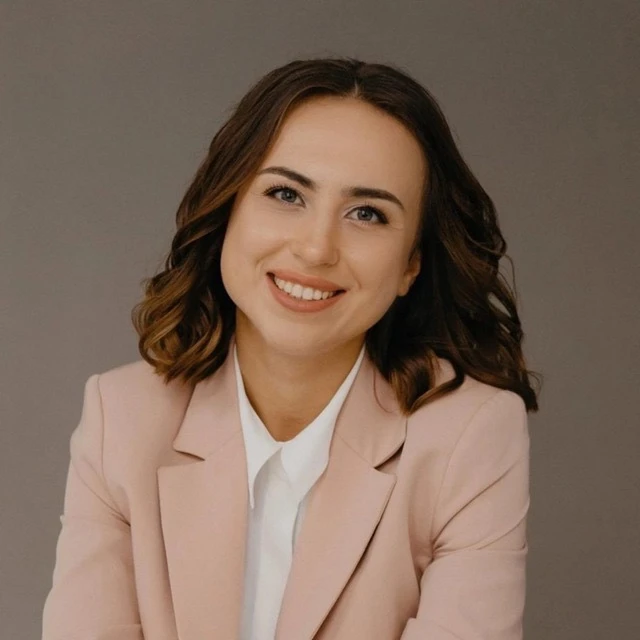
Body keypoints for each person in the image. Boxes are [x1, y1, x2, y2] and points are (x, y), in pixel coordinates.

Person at [41, 57, 540, 640]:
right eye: (286, 193)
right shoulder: (122, 419)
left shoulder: (468, 435)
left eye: (367, 213)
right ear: (227, 209)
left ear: (411, 264)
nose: (316, 248)